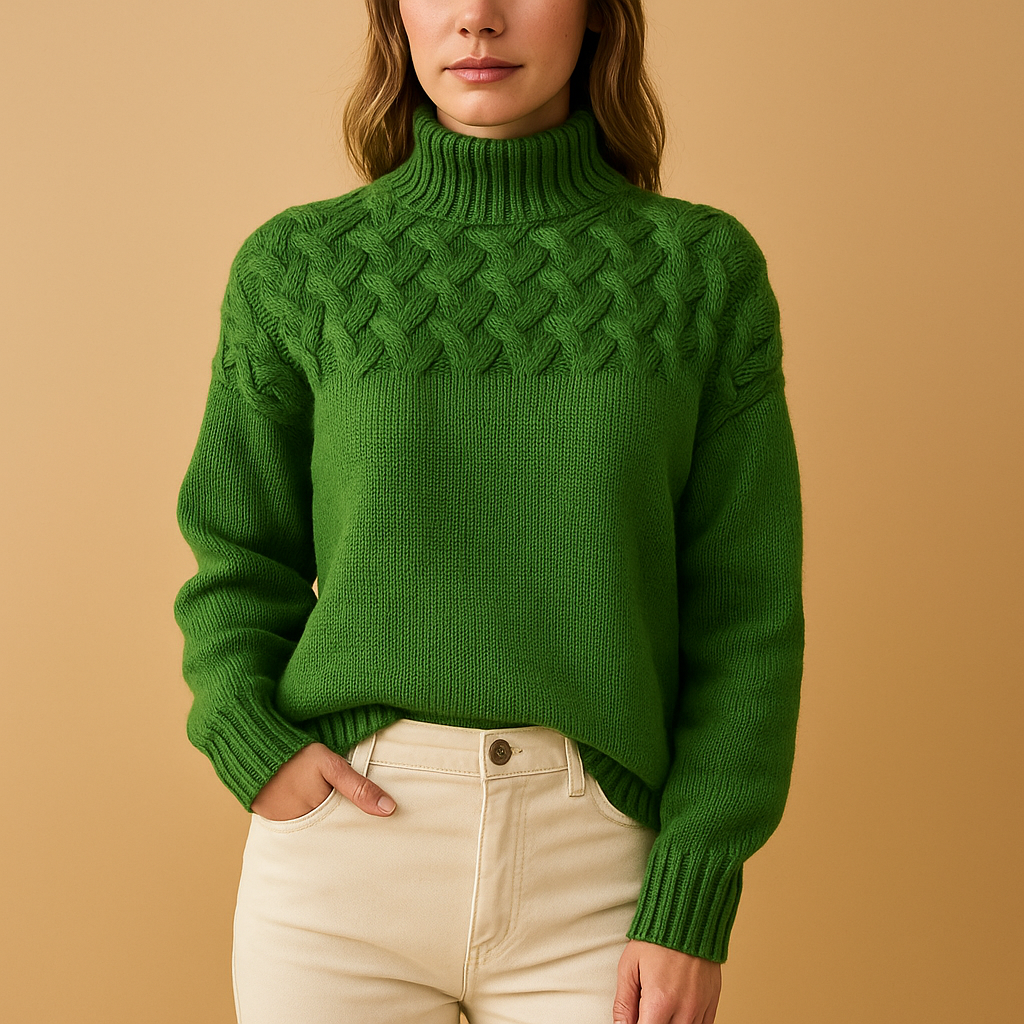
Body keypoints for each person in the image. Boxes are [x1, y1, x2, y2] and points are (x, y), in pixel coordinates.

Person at [172, 1, 805, 1022]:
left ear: (596, 15)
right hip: (342, 862)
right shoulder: (300, 267)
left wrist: (694, 895)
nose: (477, 17)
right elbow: (236, 553)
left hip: (602, 866)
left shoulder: (700, 270)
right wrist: (254, 745)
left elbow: (748, 613)